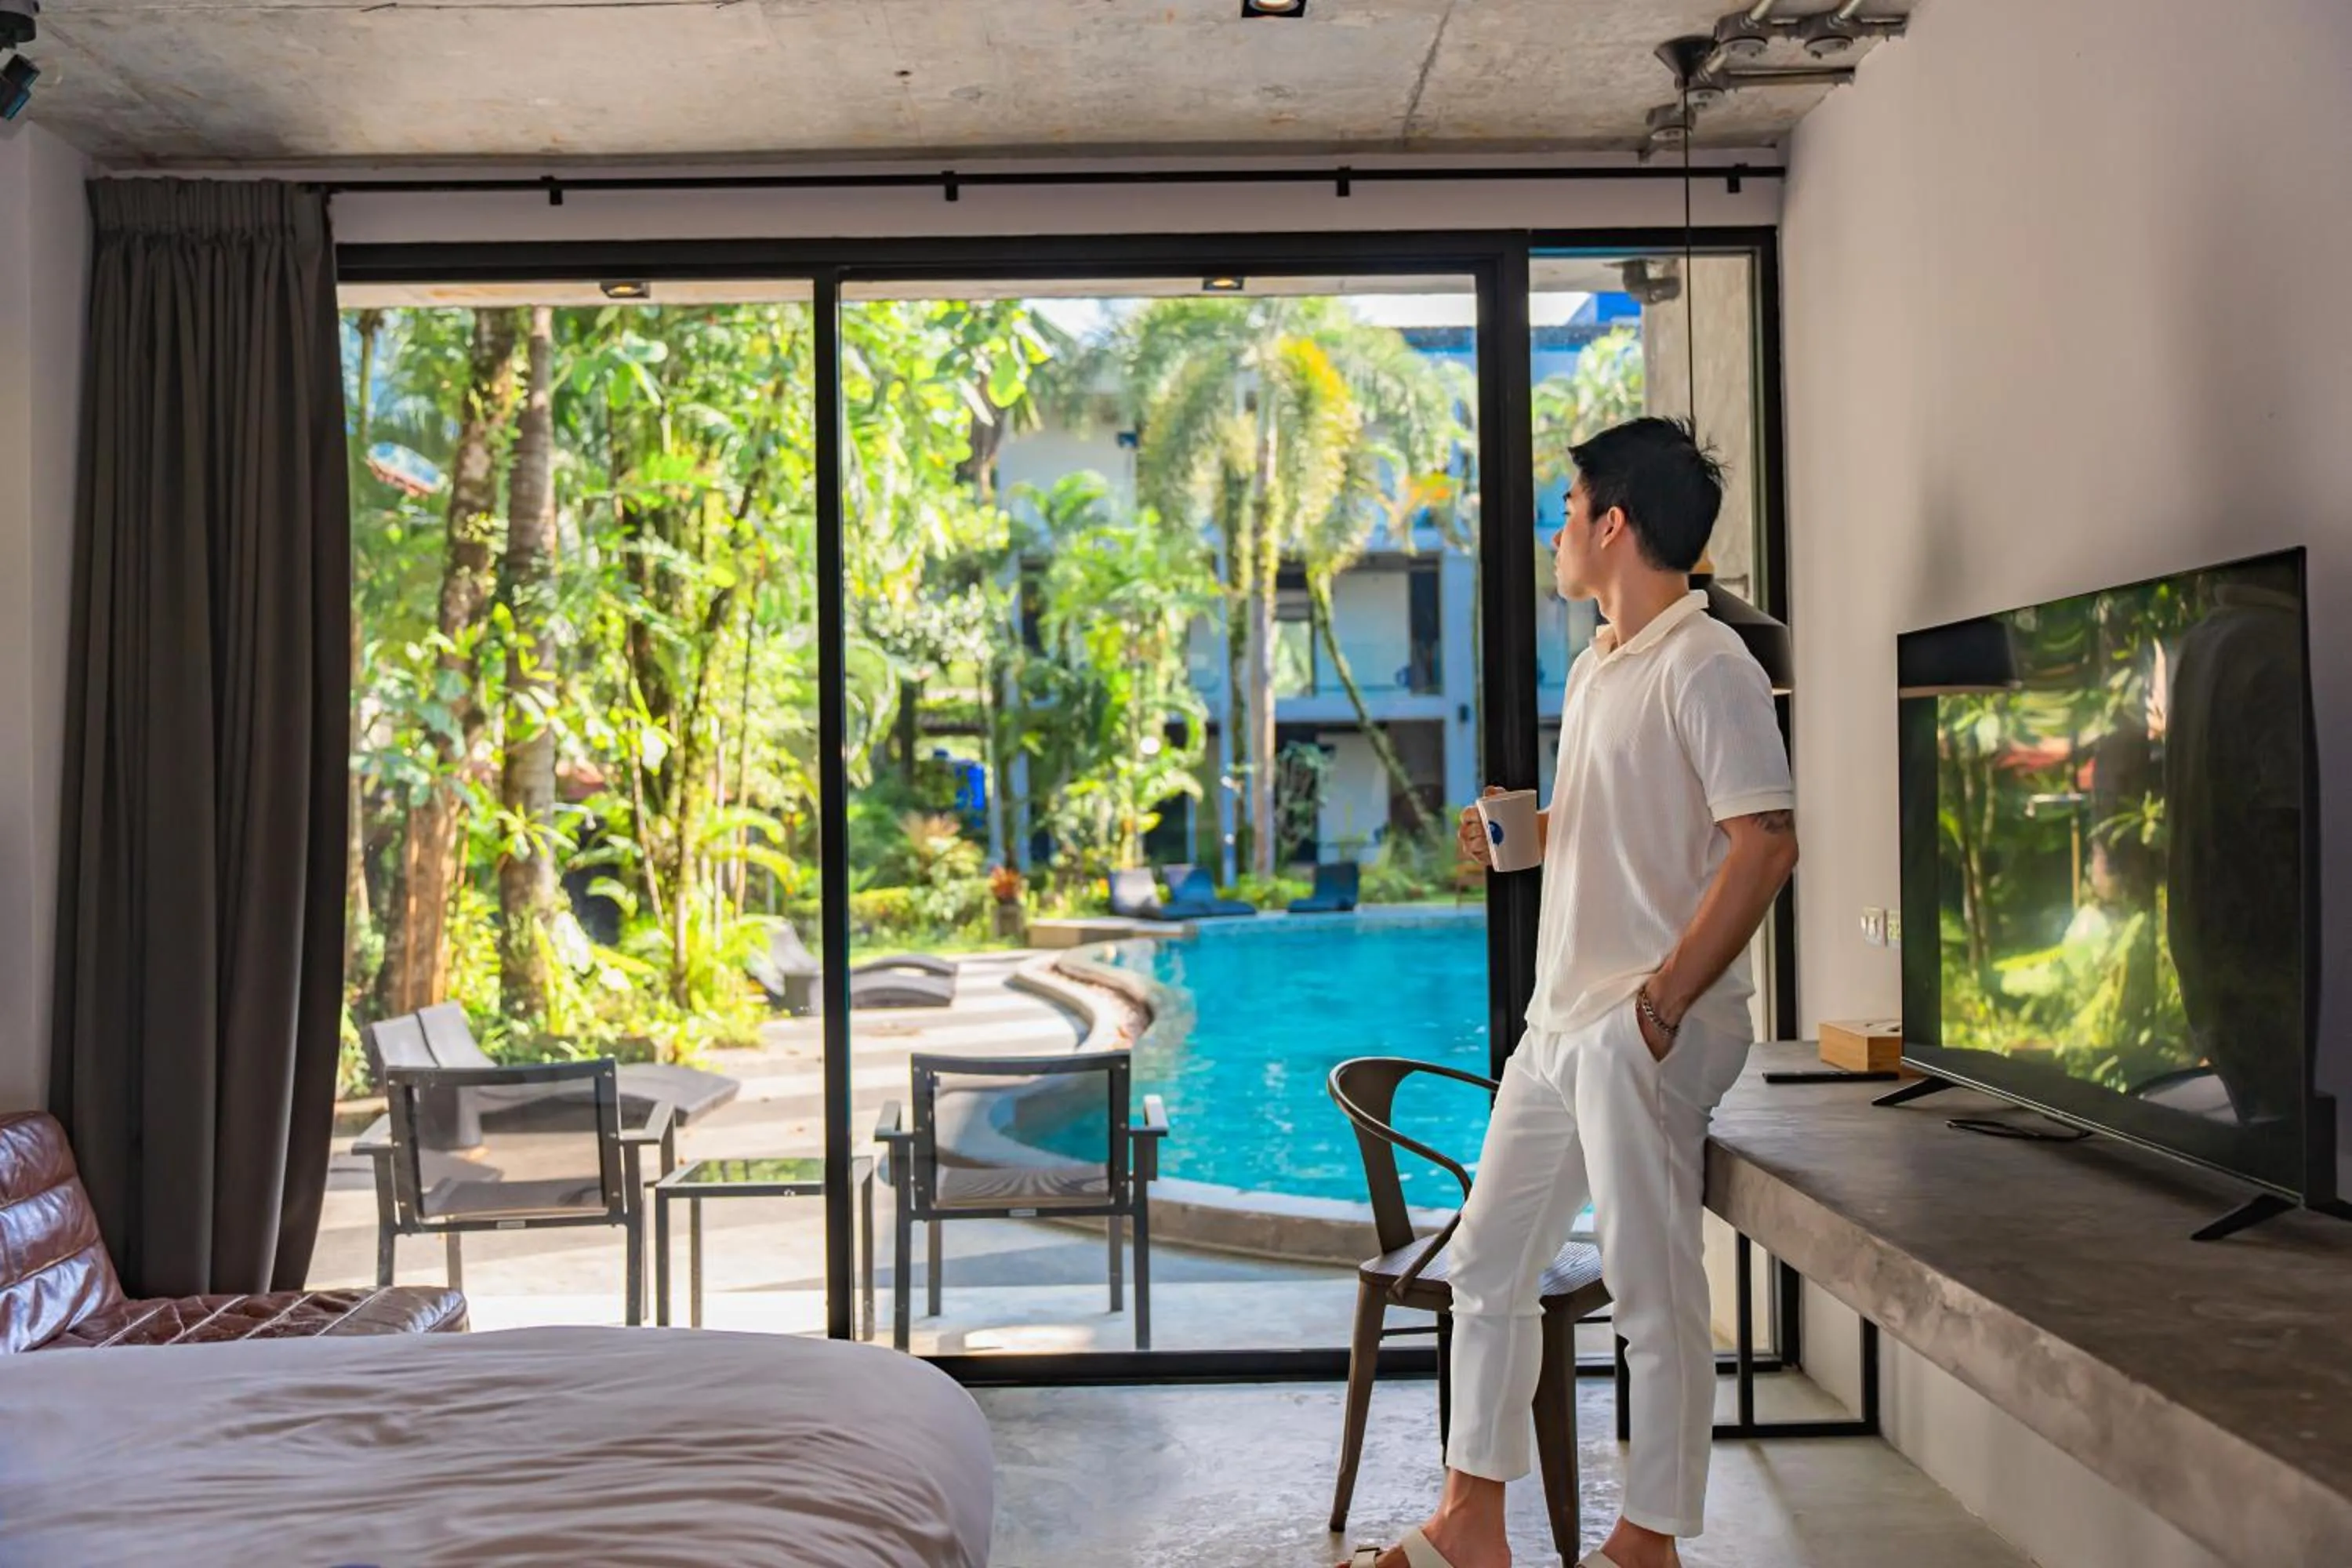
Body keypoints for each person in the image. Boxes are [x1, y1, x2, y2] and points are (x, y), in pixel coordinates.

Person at [1346, 417, 1798, 1568]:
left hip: (1643, 1026)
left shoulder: (1710, 665)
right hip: (1562, 1025)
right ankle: (1470, 1525)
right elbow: (1626, 826)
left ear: (1615, 523)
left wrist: (1659, 1008)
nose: (1559, 530)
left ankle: (1647, 1542)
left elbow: (1766, 843)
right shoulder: (1604, 665)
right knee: (1486, 1267)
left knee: (1653, 1293)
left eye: (1568, 509)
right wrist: (1522, 837)